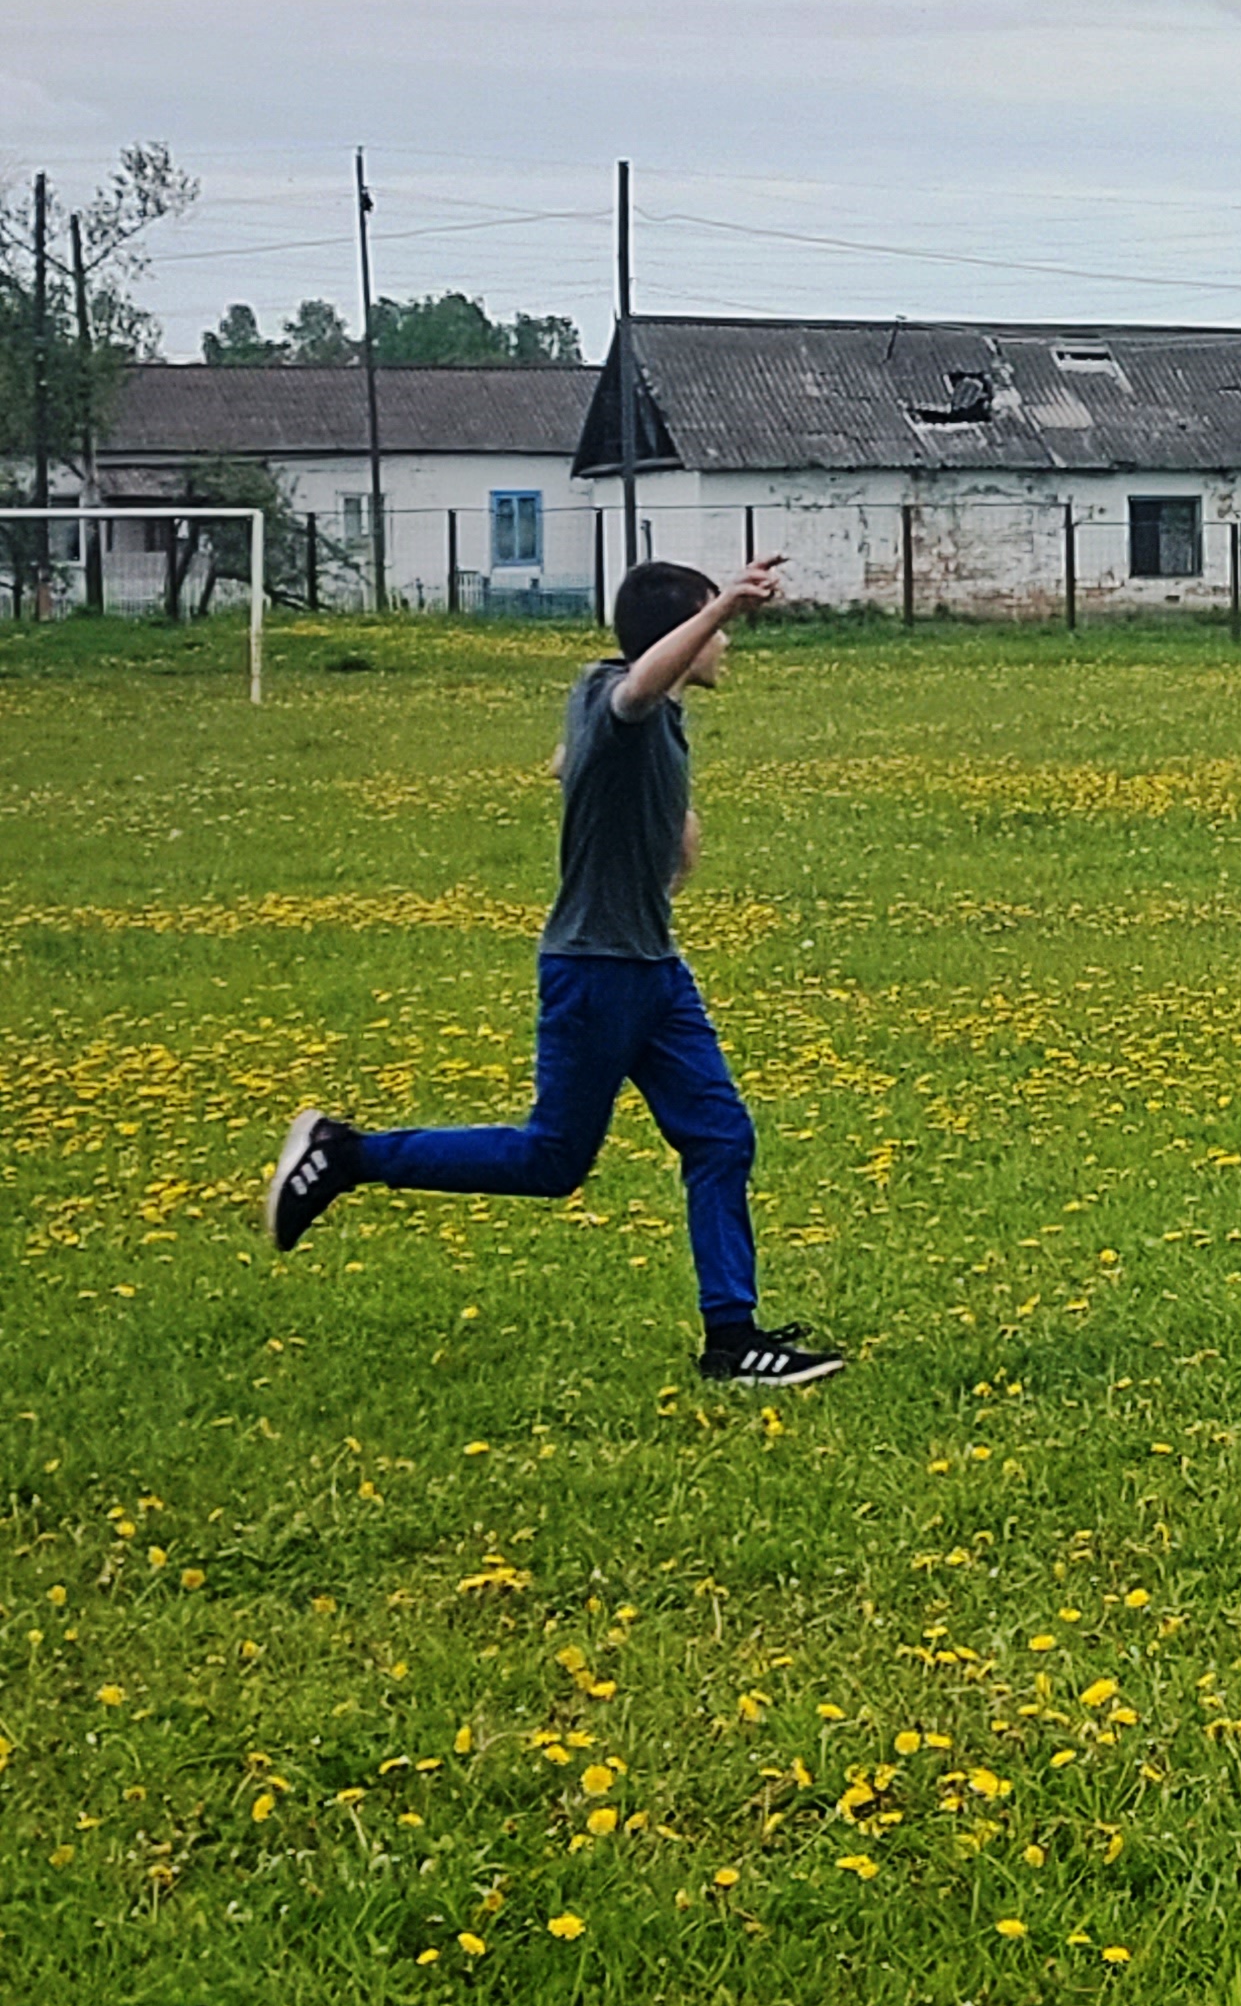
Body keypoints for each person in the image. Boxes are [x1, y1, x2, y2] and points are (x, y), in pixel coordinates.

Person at [261, 556, 845, 1389]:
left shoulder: (648, 723)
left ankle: (732, 1339)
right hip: (594, 971)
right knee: (551, 1161)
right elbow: (636, 690)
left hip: (654, 972)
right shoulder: (624, 697)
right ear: (682, 634)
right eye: (712, 633)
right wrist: (724, 607)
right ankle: (346, 1154)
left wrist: (661, 828)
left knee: (721, 1138)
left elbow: (584, 756)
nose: (725, 648)